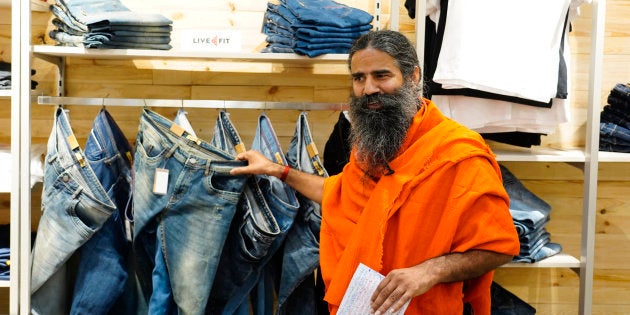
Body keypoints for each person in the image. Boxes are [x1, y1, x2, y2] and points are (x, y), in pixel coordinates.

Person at [230, 30, 520, 315]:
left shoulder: (458, 153)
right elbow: (337, 192)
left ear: (413, 77)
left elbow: (499, 247)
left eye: (381, 75)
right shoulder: (370, 148)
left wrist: (428, 272)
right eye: (359, 78)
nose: (368, 89)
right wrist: (277, 170)